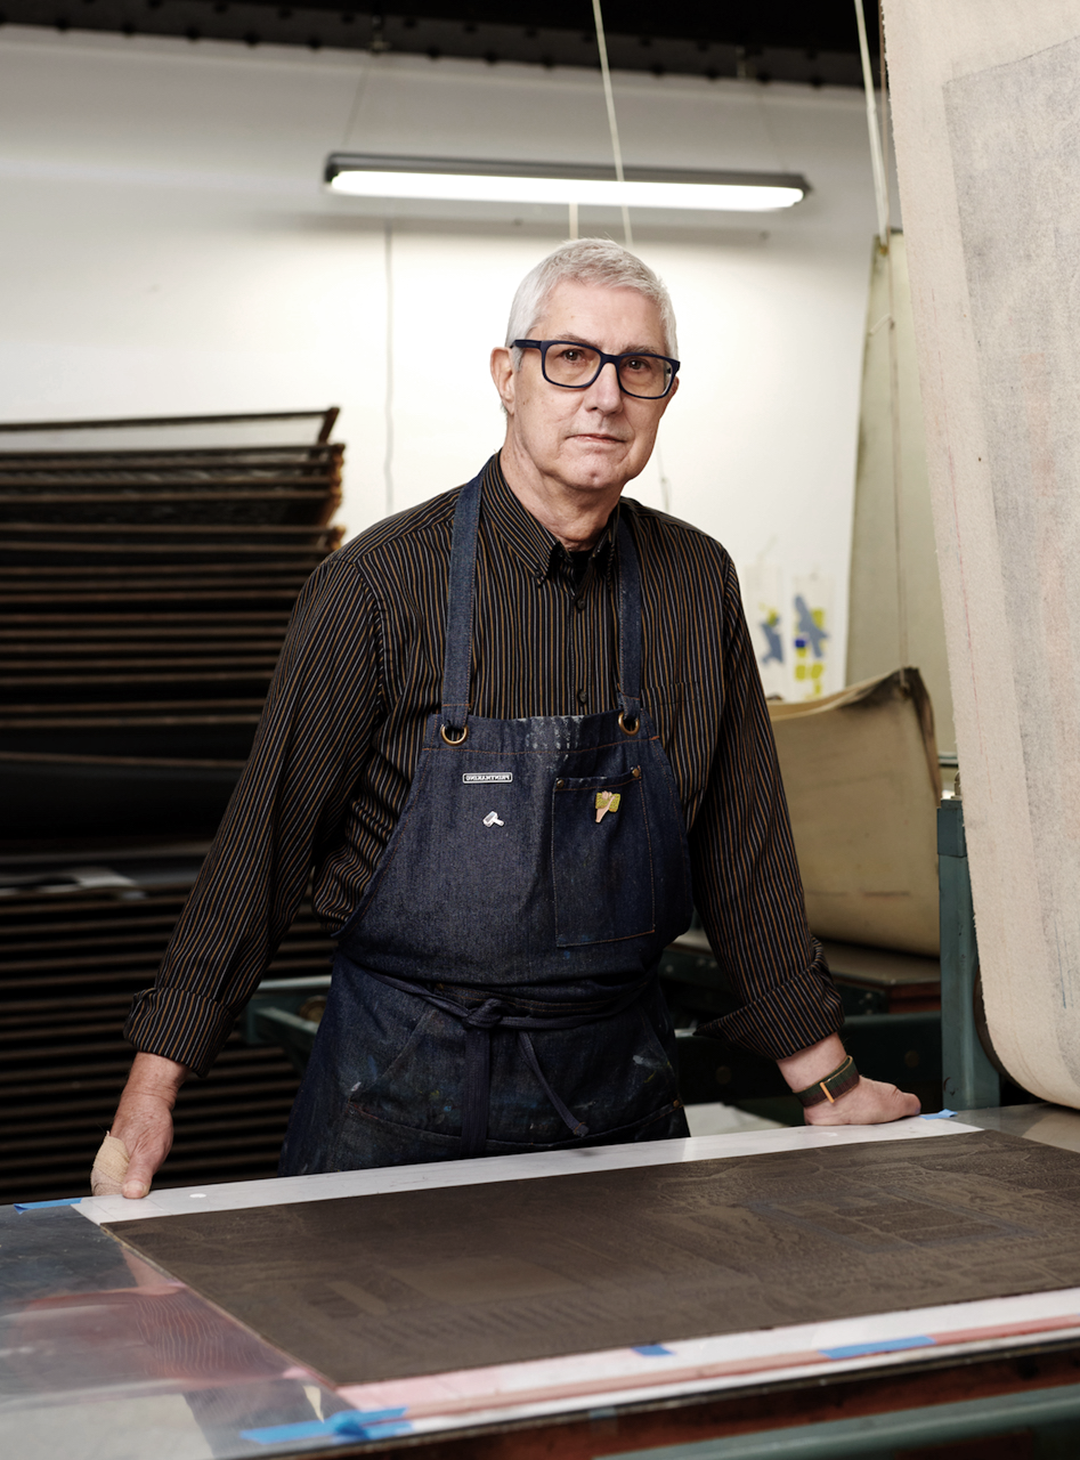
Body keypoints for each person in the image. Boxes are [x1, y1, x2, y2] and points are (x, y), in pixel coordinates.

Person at [92, 239, 918, 1199]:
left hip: (620, 1097)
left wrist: (828, 1084)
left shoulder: (696, 583)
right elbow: (264, 847)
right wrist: (150, 1093)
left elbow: (745, 850)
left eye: (638, 368)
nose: (604, 397)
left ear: (665, 395)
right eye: (570, 358)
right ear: (507, 376)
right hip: (397, 1090)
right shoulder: (379, 585)